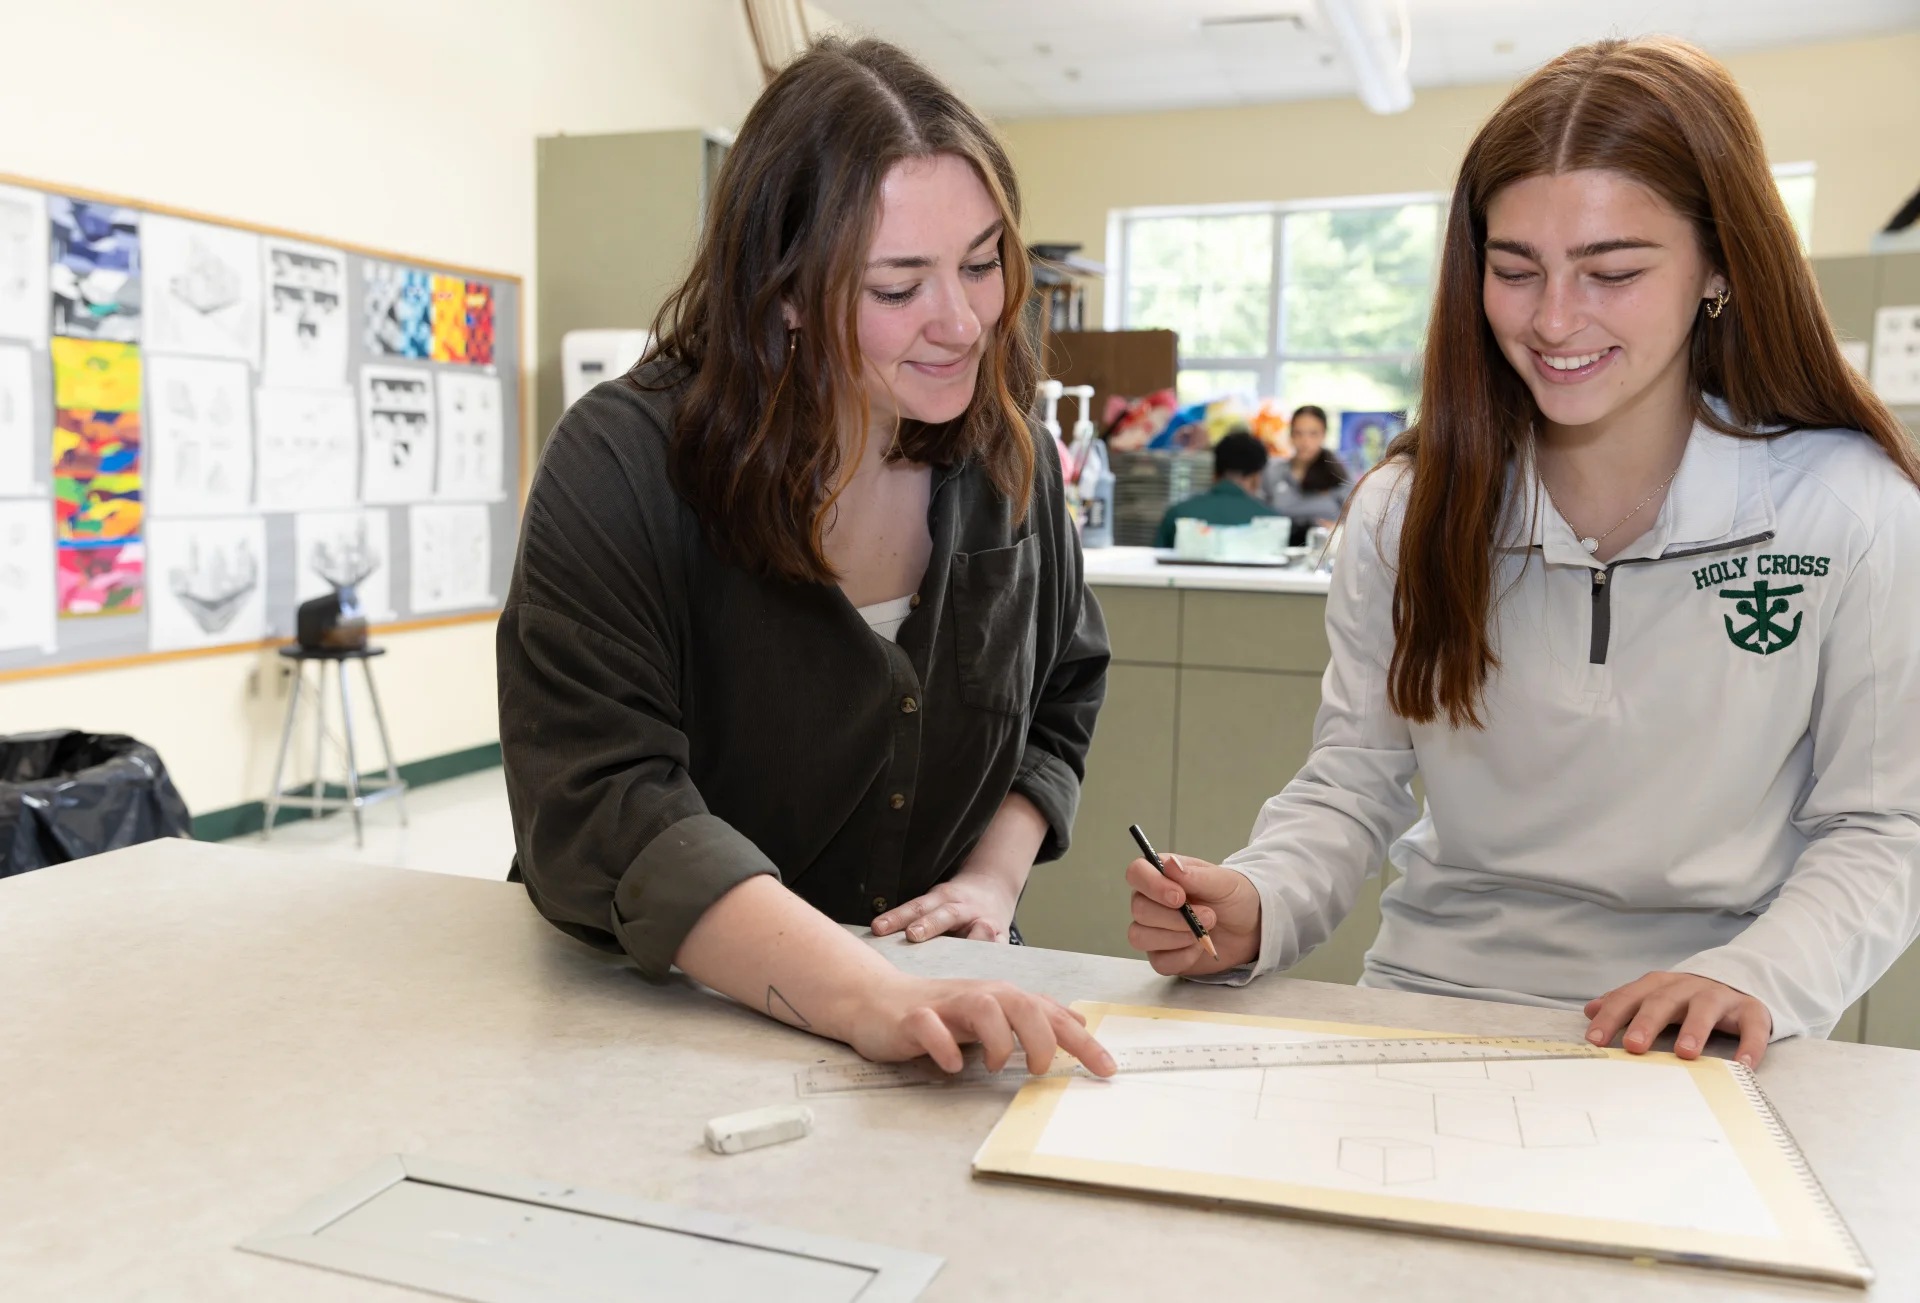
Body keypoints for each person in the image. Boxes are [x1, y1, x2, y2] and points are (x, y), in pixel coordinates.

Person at [1124, 36, 1920, 1071]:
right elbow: (1355, 781)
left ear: (1720, 265)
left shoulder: (1850, 508)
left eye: (1613, 271)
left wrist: (1756, 974)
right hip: (1431, 1012)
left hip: (1709, 1036)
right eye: (1514, 270)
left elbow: (1884, 825)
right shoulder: (1407, 511)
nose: (1553, 319)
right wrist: (1261, 898)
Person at [498, 38, 1115, 1079]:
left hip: (932, 1012)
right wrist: (866, 994)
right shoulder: (622, 465)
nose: (962, 323)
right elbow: (604, 799)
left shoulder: (1004, 454)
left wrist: (990, 881)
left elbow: (1060, 692)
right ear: (783, 290)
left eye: (981, 265)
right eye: (898, 287)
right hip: (667, 1019)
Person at [1152, 428, 1283, 547]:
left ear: (1214, 473)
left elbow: (1156, 561)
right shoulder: (1271, 523)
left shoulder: (1178, 514)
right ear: (1256, 477)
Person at [1260, 404, 1352, 544]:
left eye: (1313, 433)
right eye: (1298, 433)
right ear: (1291, 435)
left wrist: (1338, 529)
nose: (1305, 441)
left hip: (1324, 548)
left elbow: (1356, 519)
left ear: (1324, 435)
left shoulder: (1339, 474)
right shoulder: (1273, 471)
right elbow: (1260, 514)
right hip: (1279, 547)